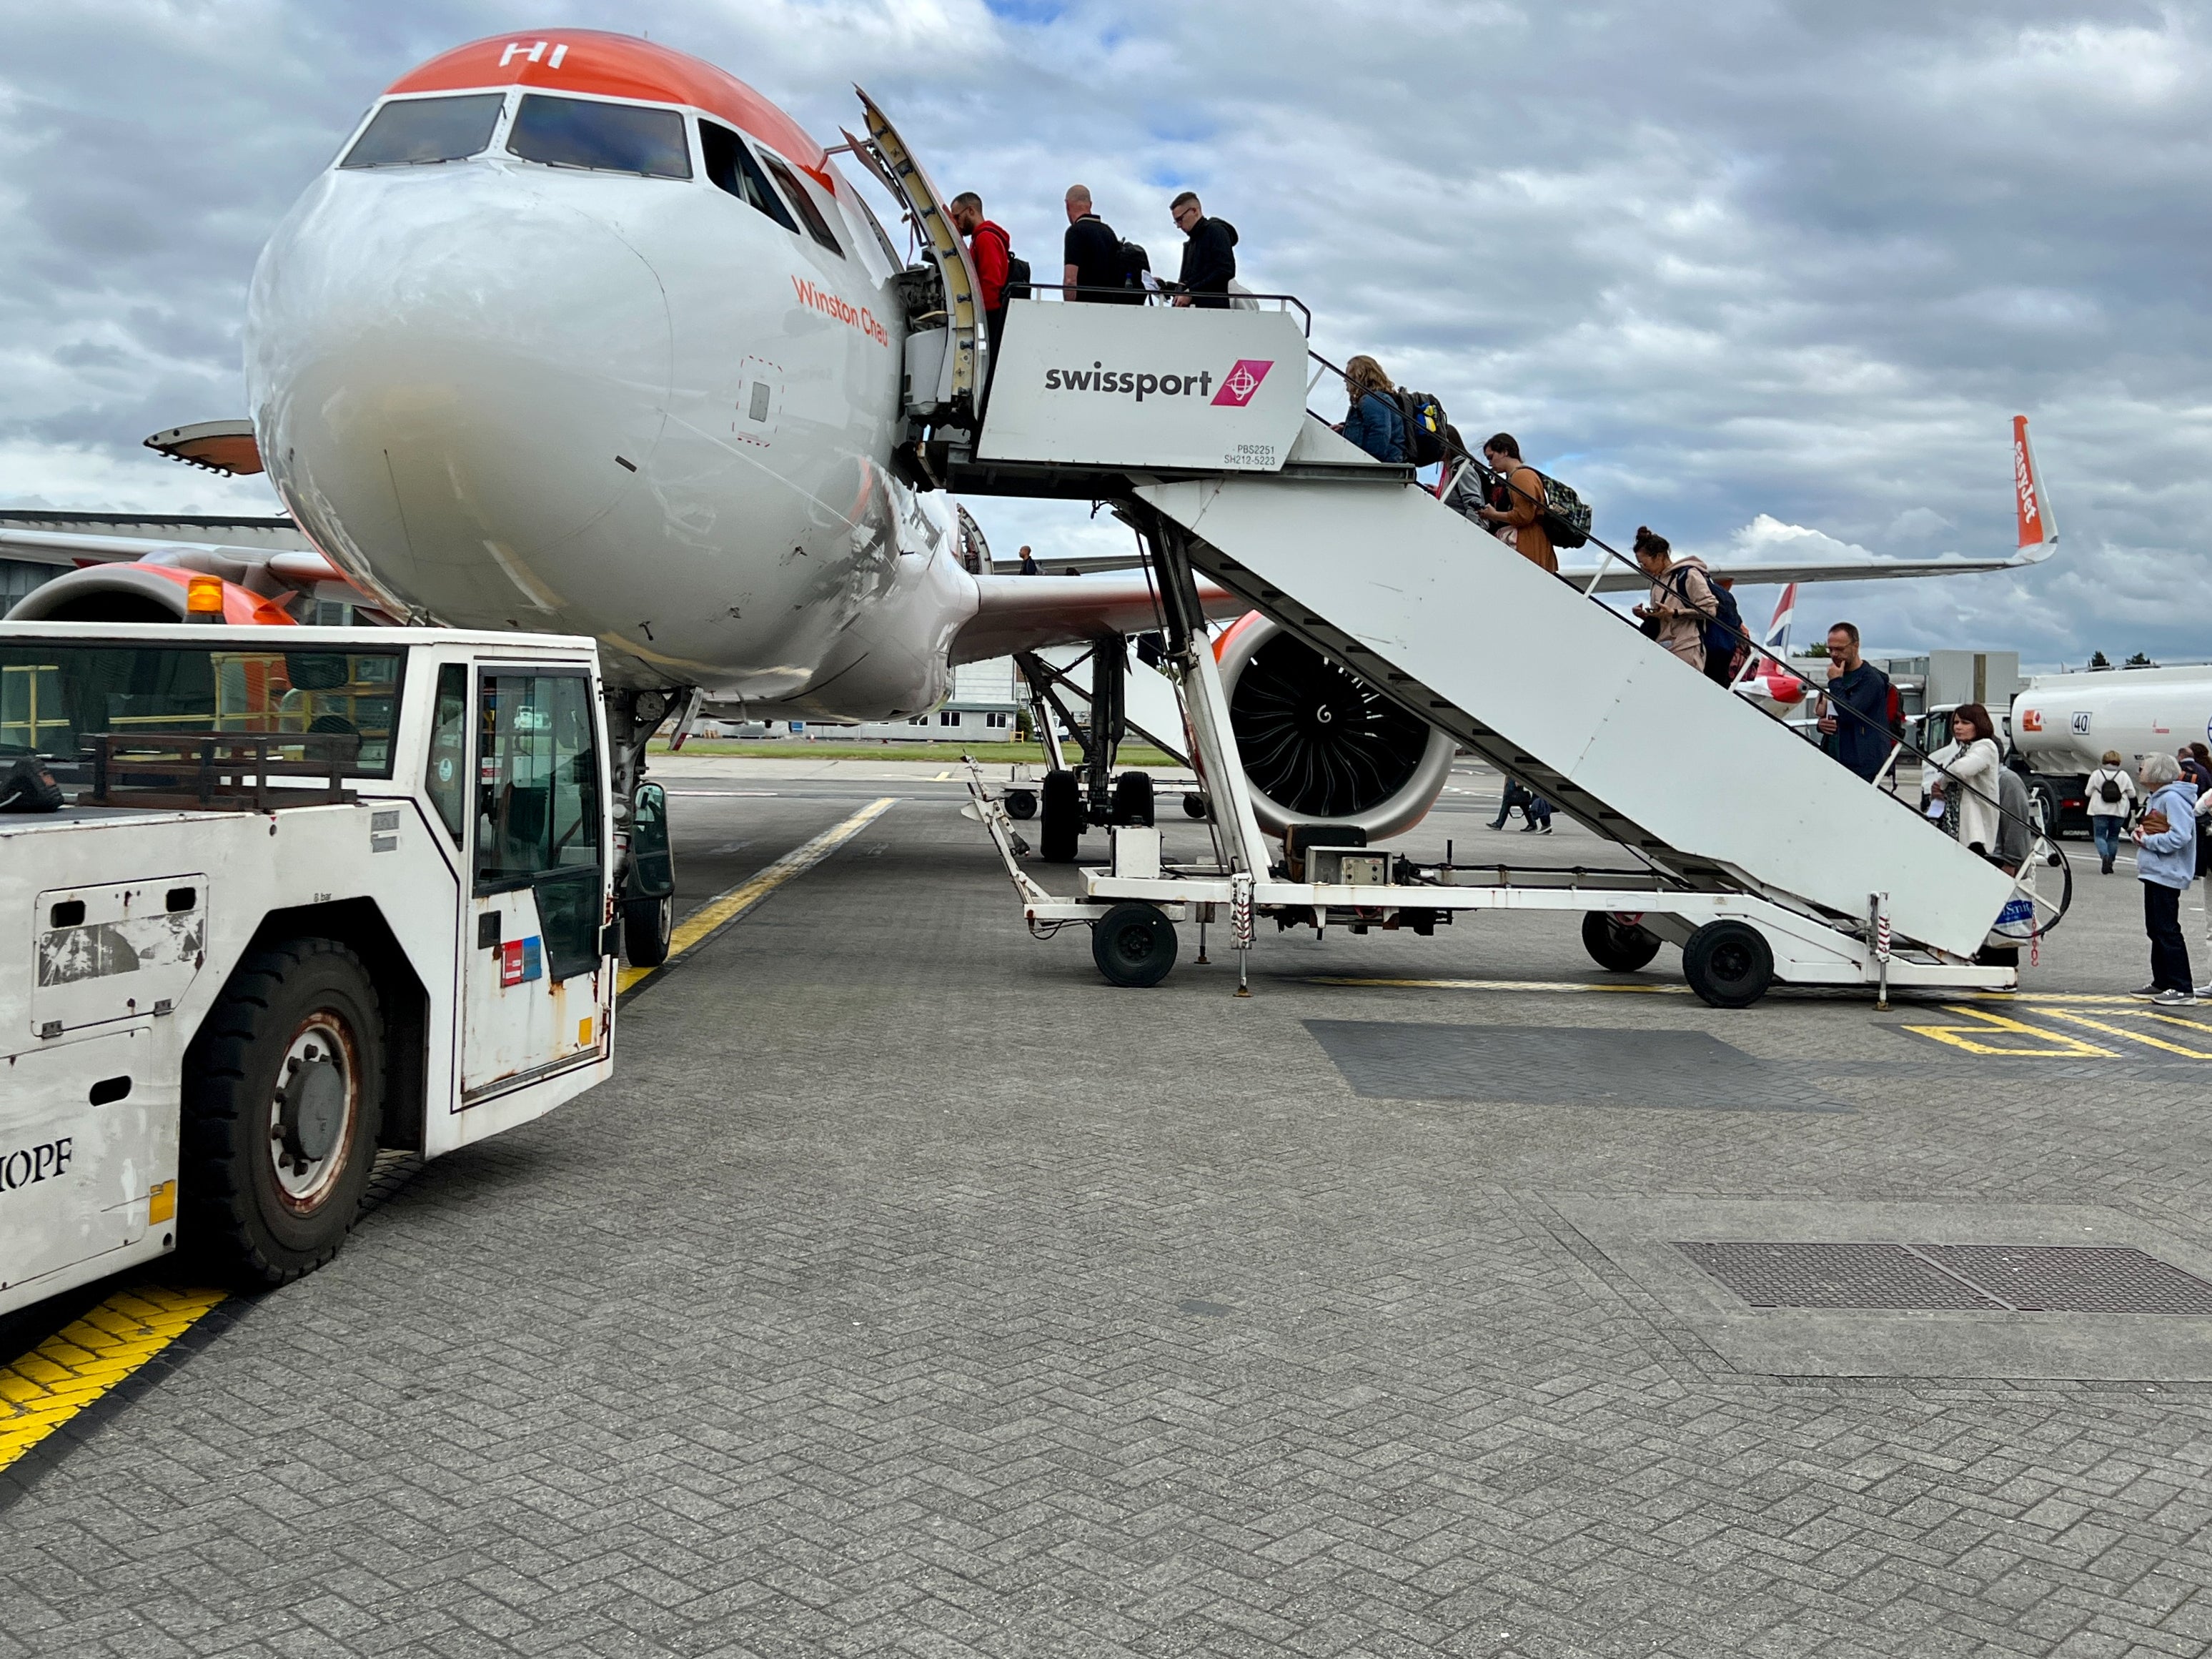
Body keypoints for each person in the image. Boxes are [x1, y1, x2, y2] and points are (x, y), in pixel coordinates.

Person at [2131, 751, 2198, 1004]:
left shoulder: (2172, 799)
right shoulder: (2158, 798)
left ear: (2157, 773)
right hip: (2155, 871)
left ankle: (2182, 987)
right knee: (2156, 929)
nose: (2140, 770)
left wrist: (2148, 841)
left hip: (2167, 873)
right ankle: (2162, 982)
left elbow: (2181, 836)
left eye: (2144, 767)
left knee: (2167, 930)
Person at [1629, 528, 1718, 673]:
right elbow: (1666, 616)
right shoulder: (1657, 580)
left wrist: (1675, 612)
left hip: (1686, 647)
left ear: (1658, 557)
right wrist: (1647, 615)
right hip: (1663, 645)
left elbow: (1710, 611)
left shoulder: (1689, 575)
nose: (1643, 569)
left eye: (1644, 564)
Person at [1815, 623, 1894, 782]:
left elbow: (1849, 713)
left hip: (1860, 763)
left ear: (1856, 646)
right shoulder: (1839, 675)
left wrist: (1835, 682)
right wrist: (1821, 724)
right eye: (1830, 649)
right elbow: (1836, 711)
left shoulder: (1870, 680)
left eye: (1840, 649)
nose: (1834, 654)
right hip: (1835, 758)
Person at [1927, 703, 2003, 856]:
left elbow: (1960, 770)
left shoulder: (1986, 747)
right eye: (1956, 722)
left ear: (1979, 725)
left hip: (1975, 830)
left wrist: (1941, 784)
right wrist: (1937, 792)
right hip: (1953, 824)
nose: (1958, 727)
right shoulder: (1963, 748)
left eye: (1965, 723)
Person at [1474, 434, 1557, 574]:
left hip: (1528, 544)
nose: (1490, 464)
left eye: (1491, 457)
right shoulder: (1518, 476)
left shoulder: (1521, 476)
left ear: (1505, 452)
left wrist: (1493, 514)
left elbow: (1524, 516)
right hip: (1530, 542)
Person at [948, 192, 1011, 362]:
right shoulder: (983, 238)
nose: (956, 222)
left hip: (990, 316)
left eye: (956, 216)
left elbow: (991, 282)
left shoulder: (985, 238)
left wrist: (978, 317)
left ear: (970, 211)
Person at [1169, 191, 1237, 309]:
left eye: (1180, 219)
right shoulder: (1190, 243)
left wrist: (1191, 292)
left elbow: (1226, 270)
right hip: (1195, 313)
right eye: (1176, 221)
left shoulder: (1216, 230)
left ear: (1194, 211)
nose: (1179, 225)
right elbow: (1194, 281)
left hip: (1212, 313)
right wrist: (1167, 287)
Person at [1061, 185, 1129, 303]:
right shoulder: (1109, 232)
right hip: (1110, 308)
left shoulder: (1075, 232)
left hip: (1085, 309)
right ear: (1090, 204)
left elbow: (1070, 280)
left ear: (1067, 205)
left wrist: (1069, 309)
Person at [1336, 356, 1406, 462]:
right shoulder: (1375, 399)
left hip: (1381, 463)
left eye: (1348, 375)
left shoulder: (1372, 400)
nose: (1345, 379)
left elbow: (1380, 431)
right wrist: (1345, 429)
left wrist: (1369, 460)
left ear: (1359, 376)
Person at [2085, 748, 2136, 874]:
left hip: (2099, 810)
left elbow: (2087, 792)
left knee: (2100, 836)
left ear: (2104, 761)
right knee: (2113, 837)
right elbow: (2132, 794)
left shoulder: (2097, 774)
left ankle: (2104, 856)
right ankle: (2111, 862)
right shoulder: (2123, 775)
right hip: (2118, 811)